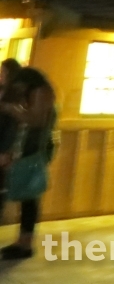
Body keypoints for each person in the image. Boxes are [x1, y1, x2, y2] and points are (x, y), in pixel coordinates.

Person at [0, 67, 56, 259]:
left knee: (29, 198)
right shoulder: (38, 92)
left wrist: (10, 109)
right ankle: (23, 243)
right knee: (28, 199)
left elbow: (35, 121)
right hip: (27, 154)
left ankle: (25, 244)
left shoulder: (41, 92)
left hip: (30, 155)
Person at [0, 58, 22, 218]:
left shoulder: (15, 96)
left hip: (3, 147)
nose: (0, 75)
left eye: (3, 72)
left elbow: (12, 125)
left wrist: (5, 150)